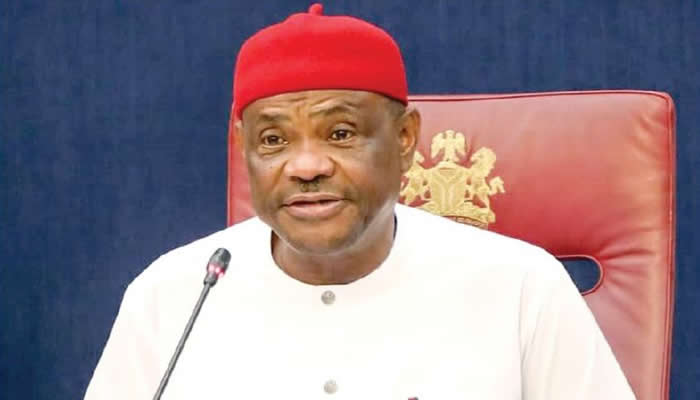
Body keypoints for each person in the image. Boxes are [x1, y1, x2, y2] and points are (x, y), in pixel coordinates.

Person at [84, 4, 635, 399]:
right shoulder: (172, 296)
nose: (306, 166)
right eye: (273, 140)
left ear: (405, 139)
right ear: (241, 147)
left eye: (341, 133)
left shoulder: (521, 287)